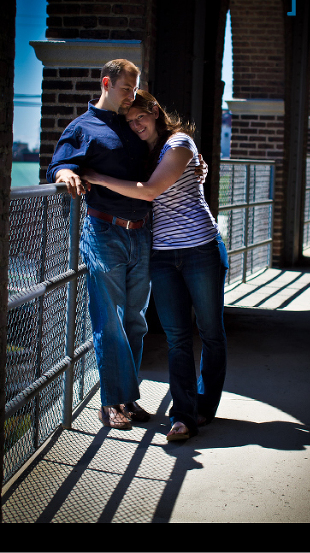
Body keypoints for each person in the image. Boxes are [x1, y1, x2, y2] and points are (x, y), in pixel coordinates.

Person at [80, 89, 228, 443]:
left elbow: (150, 191)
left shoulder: (180, 143)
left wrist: (96, 178)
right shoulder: (142, 154)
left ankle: (204, 405)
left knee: (210, 332)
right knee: (177, 337)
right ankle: (183, 415)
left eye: (140, 117)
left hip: (201, 250)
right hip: (162, 254)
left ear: (156, 111)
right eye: (129, 122)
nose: (136, 125)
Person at [47, 59, 152, 431]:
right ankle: (111, 403)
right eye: (126, 88)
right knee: (109, 321)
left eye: (135, 89)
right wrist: (67, 173)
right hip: (104, 232)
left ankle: (128, 396)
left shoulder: (132, 123)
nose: (131, 96)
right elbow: (58, 164)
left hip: (141, 233)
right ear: (107, 83)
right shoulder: (83, 126)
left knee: (135, 321)